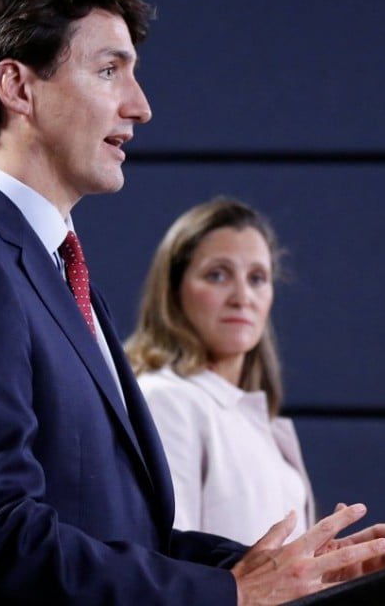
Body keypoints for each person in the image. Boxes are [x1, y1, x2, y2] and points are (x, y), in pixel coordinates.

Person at [0, 0, 385, 605]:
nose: (141, 106)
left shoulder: (52, 268)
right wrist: (227, 595)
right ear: (18, 88)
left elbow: (126, 534)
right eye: (109, 70)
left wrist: (280, 567)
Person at [125, 197, 315, 546]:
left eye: (257, 278)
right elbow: (166, 562)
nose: (242, 297)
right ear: (174, 291)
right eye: (218, 275)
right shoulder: (165, 399)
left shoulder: (262, 422)